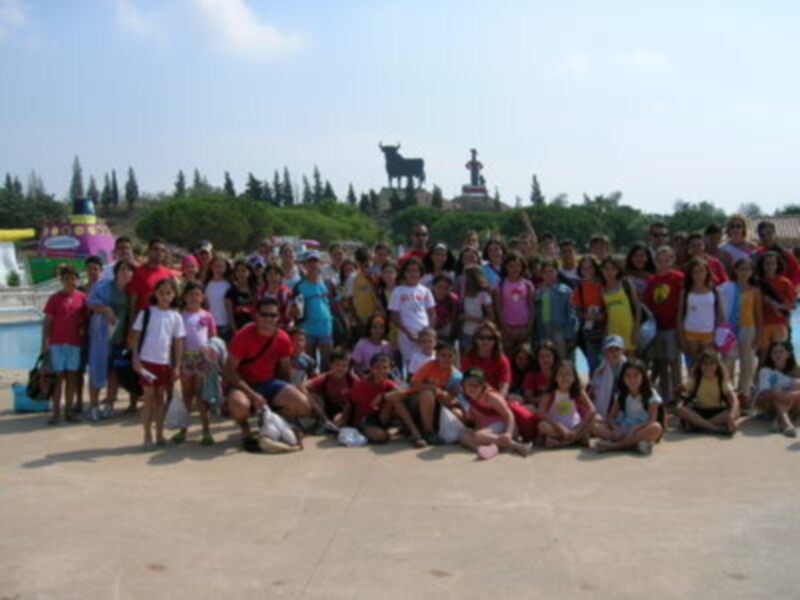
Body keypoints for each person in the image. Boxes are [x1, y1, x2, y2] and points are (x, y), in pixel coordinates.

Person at [224, 298, 312, 451]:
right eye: (264, 314)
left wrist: (287, 390)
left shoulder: (283, 338)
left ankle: (272, 421)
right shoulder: (243, 336)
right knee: (239, 405)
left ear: (278, 317)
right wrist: (253, 395)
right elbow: (229, 371)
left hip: (268, 383)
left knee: (303, 405)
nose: (268, 319)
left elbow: (285, 370)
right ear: (256, 315)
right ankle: (245, 430)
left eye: (273, 315)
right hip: (243, 384)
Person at [131, 278, 185, 447]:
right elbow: (135, 336)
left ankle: (159, 435)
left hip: (164, 363)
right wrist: (135, 358)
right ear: (155, 294)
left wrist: (177, 366)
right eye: (161, 293)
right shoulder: (146, 313)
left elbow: (178, 342)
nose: (165, 296)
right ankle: (147, 435)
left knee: (160, 399)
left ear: (174, 295)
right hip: (147, 362)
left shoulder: (176, 316)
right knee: (149, 399)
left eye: (168, 293)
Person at [85, 260, 134, 421]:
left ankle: (109, 404)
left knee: (115, 371)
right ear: (116, 272)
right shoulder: (104, 286)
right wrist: (106, 309)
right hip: (101, 337)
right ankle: (94, 406)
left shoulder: (130, 291)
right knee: (97, 370)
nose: (126, 273)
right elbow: (90, 303)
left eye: (129, 270)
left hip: (118, 338)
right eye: (123, 269)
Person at [42, 266, 86, 425]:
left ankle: (69, 411)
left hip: (74, 344)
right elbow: (47, 322)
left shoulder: (82, 297)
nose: (70, 282)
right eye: (66, 279)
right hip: (57, 344)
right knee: (58, 379)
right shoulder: (54, 298)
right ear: (61, 281)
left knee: (72, 378)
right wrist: (44, 344)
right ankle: (56, 413)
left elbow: (85, 320)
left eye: (73, 279)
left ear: (77, 280)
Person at [458, 367, 533, 459]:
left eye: (476, 385)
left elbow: (509, 415)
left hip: (505, 425)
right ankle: (483, 448)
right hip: (489, 428)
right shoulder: (467, 396)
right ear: (464, 385)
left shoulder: (491, 396)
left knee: (479, 436)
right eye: (469, 384)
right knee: (463, 434)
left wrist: (508, 433)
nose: (472, 388)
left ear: (483, 386)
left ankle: (517, 446)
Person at [175, 282, 217, 445]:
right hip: (185, 358)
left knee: (201, 396)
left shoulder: (207, 316)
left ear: (203, 297)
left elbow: (213, 338)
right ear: (184, 297)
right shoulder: (179, 315)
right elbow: (176, 340)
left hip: (202, 359)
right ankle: (182, 430)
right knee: (187, 395)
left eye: (197, 294)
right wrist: (176, 362)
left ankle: (206, 430)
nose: (193, 297)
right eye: (190, 294)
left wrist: (213, 356)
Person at [592, 360, 663, 455]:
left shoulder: (650, 394)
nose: (632, 380)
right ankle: (633, 444)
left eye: (636, 375)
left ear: (643, 376)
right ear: (623, 378)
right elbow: (611, 417)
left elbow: (651, 420)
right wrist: (616, 429)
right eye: (628, 376)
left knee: (656, 428)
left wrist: (634, 429)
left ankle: (616, 446)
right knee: (595, 425)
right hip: (623, 427)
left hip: (641, 428)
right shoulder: (621, 394)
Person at [643, 246, 684, 402]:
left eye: (667, 260)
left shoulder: (678, 278)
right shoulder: (652, 280)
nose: (664, 263)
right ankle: (666, 396)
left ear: (672, 260)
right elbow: (647, 303)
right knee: (661, 363)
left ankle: (678, 395)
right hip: (657, 327)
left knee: (674, 362)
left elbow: (681, 302)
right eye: (660, 260)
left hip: (672, 326)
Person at [402, 341, 463, 445]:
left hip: (438, 403)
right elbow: (413, 384)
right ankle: (428, 432)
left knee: (458, 413)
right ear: (437, 355)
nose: (446, 358)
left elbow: (455, 395)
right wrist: (434, 388)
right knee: (428, 394)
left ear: (454, 357)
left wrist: (450, 397)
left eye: (450, 356)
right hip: (416, 402)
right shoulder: (429, 366)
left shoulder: (455, 374)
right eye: (443, 355)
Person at [718, 258, 762, 406]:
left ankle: (744, 393)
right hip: (730, 328)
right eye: (741, 269)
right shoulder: (727, 289)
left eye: (747, 269)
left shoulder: (754, 290)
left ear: (752, 272)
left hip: (748, 328)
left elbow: (758, 313)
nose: (744, 272)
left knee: (747, 361)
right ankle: (728, 394)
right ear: (735, 270)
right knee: (728, 360)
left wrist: (759, 334)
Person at [347, 353, 413, 444]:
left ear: (389, 369)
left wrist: (383, 396)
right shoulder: (361, 385)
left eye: (385, 368)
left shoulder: (388, 383)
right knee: (381, 437)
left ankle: (414, 432)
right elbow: (353, 406)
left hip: (382, 418)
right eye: (377, 367)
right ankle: (391, 432)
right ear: (371, 369)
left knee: (395, 399)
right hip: (365, 420)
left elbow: (406, 392)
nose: (381, 371)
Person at [677, 350, 739, 435]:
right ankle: (715, 428)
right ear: (700, 365)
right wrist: (681, 401)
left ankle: (700, 425)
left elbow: (735, 400)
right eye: (705, 364)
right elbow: (680, 392)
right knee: (680, 409)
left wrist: (731, 416)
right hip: (700, 410)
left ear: (717, 366)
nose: (708, 367)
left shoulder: (721, 381)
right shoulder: (696, 380)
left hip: (717, 411)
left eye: (712, 364)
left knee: (736, 412)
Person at [389, 257, 436, 371]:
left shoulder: (425, 291)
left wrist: (428, 333)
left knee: (426, 363)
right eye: (409, 270)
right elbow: (394, 315)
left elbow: (432, 313)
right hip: (406, 334)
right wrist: (407, 332)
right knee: (411, 365)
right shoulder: (398, 291)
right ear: (404, 273)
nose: (412, 274)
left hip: (423, 333)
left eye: (416, 270)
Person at [292, 250, 336, 370]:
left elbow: (336, 305)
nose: (313, 265)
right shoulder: (298, 286)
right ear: (304, 265)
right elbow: (293, 309)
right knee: (309, 363)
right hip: (306, 328)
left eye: (315, 261)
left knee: (326, 362)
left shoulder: (328, 283)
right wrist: (295, 312)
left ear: (320, 263)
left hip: (325, 327)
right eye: (309, 262)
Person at [538, 360, 597, 448]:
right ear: (555, 377)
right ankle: (575, 439)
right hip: (556, 426)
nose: (565, 378)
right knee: (542, 426)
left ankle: (562, 443)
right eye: (561, 374)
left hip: (575, 425)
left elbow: (592, 409)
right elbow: (541, 412)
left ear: (574, 378)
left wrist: (577, 430)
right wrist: (560, 427)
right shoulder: (550, 392)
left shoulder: (578, 391)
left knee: (593, 420)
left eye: (568, 374)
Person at [678, 257, 723, 364]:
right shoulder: (685, 292)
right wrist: (680, 336)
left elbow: (719, 314)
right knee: (693, 365)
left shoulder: (714, 291)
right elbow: (680, 314)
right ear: (690, 274)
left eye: (702, 271)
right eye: (695, 272)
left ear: (707, 272)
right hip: (690, 333)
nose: (699, 275)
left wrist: (720, 334)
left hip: (709, 333)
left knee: (708, 363)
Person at [305, 347, 357, 432]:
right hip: (326, 409)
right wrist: (316, 406)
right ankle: (324, 420)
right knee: (312, 394)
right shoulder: (325, 378)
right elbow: (302, 386)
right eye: (337, 364)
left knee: (346, 409)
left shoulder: (352, 380)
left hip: (344, 411)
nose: (340, 368)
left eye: (344, 365)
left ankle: (332, 424)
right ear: (330, 365)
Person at [755, 341, 800, 437]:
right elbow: (765, 394)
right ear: (770, 355)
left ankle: (779, 421)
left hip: (792, 405)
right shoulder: (766, 371)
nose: (778, 354)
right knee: (776, 389)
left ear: (788, 354)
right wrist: (782, 394)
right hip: (769, 406)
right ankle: (787, 424)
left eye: (781, 351)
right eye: (775, 352)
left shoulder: (796, 370)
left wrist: (790, 395)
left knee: (797, 383)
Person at [534, 259, 577, 359]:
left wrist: (570, 335)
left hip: (560, 332)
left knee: (561, 358)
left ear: (557, 272)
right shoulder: (539, 292)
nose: (548, 275)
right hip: (544, 331)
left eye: (551, 271)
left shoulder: (565, 291)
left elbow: (571, 314)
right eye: (545, 272)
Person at [756, 251, 796, 358]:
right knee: (763, 357)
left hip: (779, 324)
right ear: (762, 265)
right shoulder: (756, 282)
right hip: (761, 324)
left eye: (773, 263)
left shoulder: (785, 283)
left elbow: (792, 306)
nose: (770, 266)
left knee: (779, 356)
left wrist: (777, 306)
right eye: (767, 263)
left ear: (778, 265)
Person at [494, 251, 535, 353]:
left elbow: (531, 307)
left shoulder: (528, 285)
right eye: (511, 266)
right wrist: (505, 328)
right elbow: (498, 309)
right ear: (506, 267)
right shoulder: (500, 285)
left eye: (518, 266)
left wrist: (529, 329)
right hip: (507, 328)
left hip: (524, 327)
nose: (515, 269)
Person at [600, 257, 640, 356]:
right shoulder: (601, 289)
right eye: (606, 268)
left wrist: (636, 330)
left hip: (628, 328)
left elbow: (637, 308)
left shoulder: (626, 284)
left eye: (612, 269)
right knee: (614, 358)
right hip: (612, 329)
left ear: (617, 270)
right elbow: (606, 313)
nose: (609, 272)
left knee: (630, 357)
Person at [572, 256, 605, 373]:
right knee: (593, 360)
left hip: (607, 326)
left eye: (590, 268)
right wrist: (587, 316)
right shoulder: (579, 288)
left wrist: (603, 315)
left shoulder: (603, 285)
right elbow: (577, 310)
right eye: (584, 268)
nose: (587, 271)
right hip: (590, 329)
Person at [460, 321, 512, 397]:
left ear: (495, 341)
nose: (486, 341)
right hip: (472, 397)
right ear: (476, 339)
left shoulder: (502, 360)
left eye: (490, 338)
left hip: (495, 398)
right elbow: (463, 383)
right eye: (482, 337)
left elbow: (504, 386)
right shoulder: (469, 358)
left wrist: (497, 400)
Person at [128, 238, 173, 315]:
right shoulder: (138, 272)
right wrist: (132, 320)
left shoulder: (168, 273)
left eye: (163, 250)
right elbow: (133, 301)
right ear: (149, 251)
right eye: (156, 249)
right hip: (144, 318)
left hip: (163, 317)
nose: (159, 253)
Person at [588, 335, 627, 419]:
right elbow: (593, 390)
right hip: (607, 404)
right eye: (611, 350)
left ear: (622, 351)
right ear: (605, 353)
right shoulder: (600, 368)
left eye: (617, 349)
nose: (614, 353)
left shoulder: (628, 366)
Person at [346, 246, 381, 337]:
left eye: (368, 260)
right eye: (362, 261)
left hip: (376, 317)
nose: (366, 263)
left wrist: (371, 279)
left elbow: (379, 293)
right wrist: (357, 319)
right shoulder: (352, 277)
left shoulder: (376, 274)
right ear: (357, 262)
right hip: (360, 319)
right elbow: (349, 300)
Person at [458, 265, 494, 351]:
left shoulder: (483, 295)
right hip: (466, 332)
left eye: (465, 277)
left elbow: (491, 317)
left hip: (480, 334)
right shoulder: (463, 294)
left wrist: (472, 319)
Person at [755, 221, 800, 288]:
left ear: (775, 234)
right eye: (763, 235)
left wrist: (786, 289)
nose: (767, 237)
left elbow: (796, 275)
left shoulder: (787, 255)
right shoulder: (757, 254)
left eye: (769, 233)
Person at [522, 341, 560, 410]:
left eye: (548, 356)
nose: (545, 359)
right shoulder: (531, 375)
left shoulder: (561, 373)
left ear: (554, 357)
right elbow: (528, 398)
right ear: (537, 358)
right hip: (537, 408)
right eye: (541, 356)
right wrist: (546, 400)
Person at [225, 259, 257, 335]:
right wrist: (235, 331)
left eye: (244, 271)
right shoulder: (230, 292)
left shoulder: (255, 290)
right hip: (238, 330)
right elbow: (230, 315)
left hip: (254, 329)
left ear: (249, 272)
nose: (241, 273)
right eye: (238, 271)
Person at [204, 256, 232, 341]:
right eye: (216, 266)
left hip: (225, 324)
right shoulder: (207, 284)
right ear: (211, 267)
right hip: (210, 324)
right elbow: (206, 305)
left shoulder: (229, 285)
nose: (218, 269)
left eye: (221, 266)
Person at [260, 264, 293, 330]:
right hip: (264, 328)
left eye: (276, 274)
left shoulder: (286, 293)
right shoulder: (261, 292)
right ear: (265, 276)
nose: (273, 277)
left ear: (281, 276)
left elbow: (290, 315)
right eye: (270, 274)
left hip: (282, 328)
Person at [431, 275, 459, 343]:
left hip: (447, 334)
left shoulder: (454, 300)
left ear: (451, 288)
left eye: (446, 288)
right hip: (429, 333)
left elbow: (455, 319)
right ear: (433, 287)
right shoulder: (427, 299)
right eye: (439, 287)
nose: (442, 291)